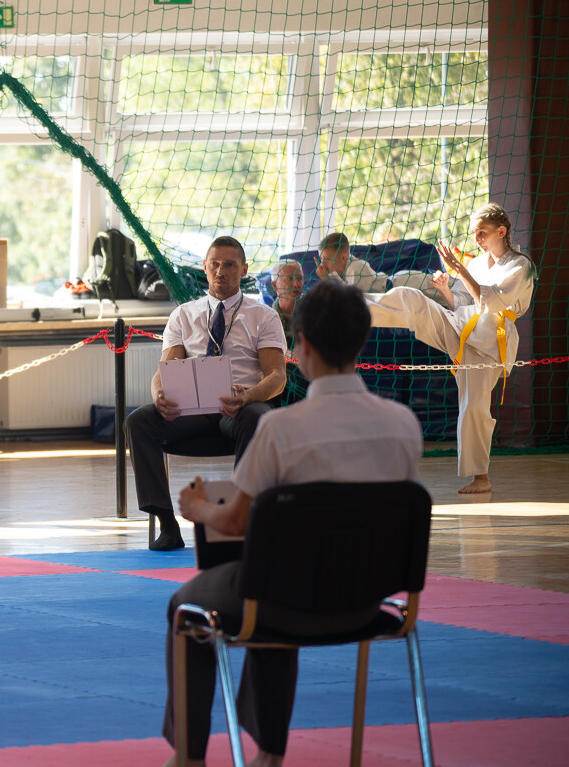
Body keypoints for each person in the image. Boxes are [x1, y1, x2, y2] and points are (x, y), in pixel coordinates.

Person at [164, 279, 423, 767]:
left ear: (300, 347)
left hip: (285, 599)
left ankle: (190, 759)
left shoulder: (282, 429)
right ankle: (269, 754)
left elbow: (237, 519)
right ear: (362, 342)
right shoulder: (403, 425)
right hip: (371, 600)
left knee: (197, 604)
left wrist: (199, 509)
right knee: (278, 570)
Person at [124, 236, 287, 551]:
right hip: (191, 410)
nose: (220, 271)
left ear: (244, 270)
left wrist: (249, 396)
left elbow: (277, 376)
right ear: (205, 267)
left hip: (238, 408)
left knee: (258, 417)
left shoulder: (263, 316)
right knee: (138, 421)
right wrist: (158, 393)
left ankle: (239, 517)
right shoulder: (184, 315)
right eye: (214, 264)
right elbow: (165, 369)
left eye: (229, 265)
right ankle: (168, 525)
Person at [363, 203, 536, 494]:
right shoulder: (478, 264)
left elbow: (491, 302)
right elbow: (464, 302)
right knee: (411, 298)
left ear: (501, 231)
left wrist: (457, 268)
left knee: (473, 408)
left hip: (491, 340)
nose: (476, 240)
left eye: (481, 233)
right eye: (474, 234)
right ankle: (351, 306)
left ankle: (481, 478)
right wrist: (446, 289)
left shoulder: (521, 265)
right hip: (460, 327)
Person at [312, 231, 391, 292]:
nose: (323, 264)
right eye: (321, 259)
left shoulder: (355, 269)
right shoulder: (334, 270)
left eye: (328, 259)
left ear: (343, 257)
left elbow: (351, 300)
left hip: (387, 289)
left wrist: (326, 280)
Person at [268, 258, 303, 345]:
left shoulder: (314, 314)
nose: (296, 284)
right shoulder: (266, 317)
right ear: (274, 285)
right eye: (290, 279)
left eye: (300, 278)